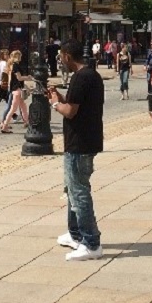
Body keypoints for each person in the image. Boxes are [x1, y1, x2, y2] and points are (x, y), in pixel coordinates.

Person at [48, 40, 104, 261]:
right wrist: (61, 98)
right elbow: (77, 105)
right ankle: (76, 234)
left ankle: (91, 243)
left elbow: (70, 112)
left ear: (67, 56)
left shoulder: (80, 78)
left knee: (79, 192)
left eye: (61, 56)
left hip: (79, 143)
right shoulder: (91, 75)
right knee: (72, 190)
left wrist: (54, 103)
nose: (61, 60)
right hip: (87, 139)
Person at [0, 50, 32, 133]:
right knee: (13, 109)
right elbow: (19, 78)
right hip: (17, 90)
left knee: (23, 107)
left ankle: (27, 122)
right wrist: (28, 77)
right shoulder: (15, 66)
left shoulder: (13, 65)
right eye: (20, 56)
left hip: (17, 89)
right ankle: (5, 126)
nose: (21, 57)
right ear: (17, 56)